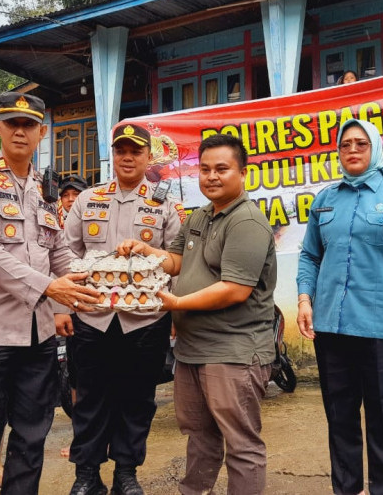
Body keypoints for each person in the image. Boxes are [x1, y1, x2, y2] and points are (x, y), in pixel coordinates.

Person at [0, 92, 99, 495]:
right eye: (11, 122)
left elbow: (60, 252)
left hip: (38, 337)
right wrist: (50, 287)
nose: (20, 130)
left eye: (29, 124)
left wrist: (99, 284)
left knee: (32, 437)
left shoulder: (46, 191)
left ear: (41, 133)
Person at [117, 133, 277, 495]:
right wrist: (145, 250)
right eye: (205, 169)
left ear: (242, 173)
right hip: (192, 350)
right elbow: (175, 262)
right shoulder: (200, 216)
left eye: (222, 169)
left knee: (241, 444)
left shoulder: (246, 222)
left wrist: (175, 305)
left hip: (233, 352)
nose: (212, 177)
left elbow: (235, 289)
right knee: (199, 437)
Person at [295, 119, 383, 495]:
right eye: (345, 144)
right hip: (332, 329)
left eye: (360, 143)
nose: (352, 150)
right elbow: (309, 255)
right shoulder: (325, 200)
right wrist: (305, 298)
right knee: (340, 419)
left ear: (375, 148)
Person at [63, 122, 183, 495]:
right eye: (121, 151)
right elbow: (66, 252)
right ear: (113, 155)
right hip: (93, 318)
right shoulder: (88, 199)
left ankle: (126, 473)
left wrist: (175, 311)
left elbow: (177, 260)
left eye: (135, 151)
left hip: (145, 320)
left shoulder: (165, 205)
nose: (127, 157)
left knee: (137, 398)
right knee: (89, 398)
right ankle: (86, 475)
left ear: (149, 157)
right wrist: (63, 305)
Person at [55, 172, 86, 459]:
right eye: (66, 195)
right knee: (74, 376)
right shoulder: (51, 222)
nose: (70, 199)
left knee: (103, 374)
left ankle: (107, 436)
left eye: (76, 194)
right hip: (64, 306)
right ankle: (81, 437)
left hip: (92, 306)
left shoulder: (95, 215)